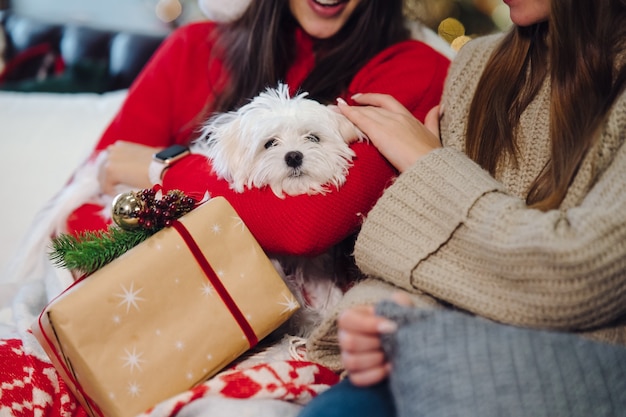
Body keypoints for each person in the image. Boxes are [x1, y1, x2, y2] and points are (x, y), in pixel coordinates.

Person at [0, 0, 451, 415]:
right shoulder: (193, 49)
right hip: (124, 317)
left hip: (289, 337)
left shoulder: (413, 70)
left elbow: (305, 224)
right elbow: (98, 185)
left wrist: (165, 168)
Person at [299, 0, 626, 415]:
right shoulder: (476, 63)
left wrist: (428, 166)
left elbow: (580, 275)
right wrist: (379, 316)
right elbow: (426, 256)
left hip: (563, 380)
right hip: (440, 353)